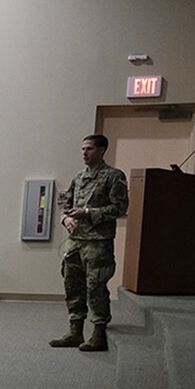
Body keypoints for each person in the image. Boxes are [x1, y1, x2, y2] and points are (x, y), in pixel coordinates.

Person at [52, 132, 128, 351]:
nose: (84, 153)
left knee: (95, 286)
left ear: (102, 150)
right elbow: (66, 204)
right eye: (83, 149)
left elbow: (120, 208)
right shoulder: (79, 177)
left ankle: (98, 334)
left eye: (90, 149)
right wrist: (66, 218)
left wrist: (88, 212)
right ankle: (75, 331)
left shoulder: (114, 176)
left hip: (98, 242)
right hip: (75, 241)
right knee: (72, 284)